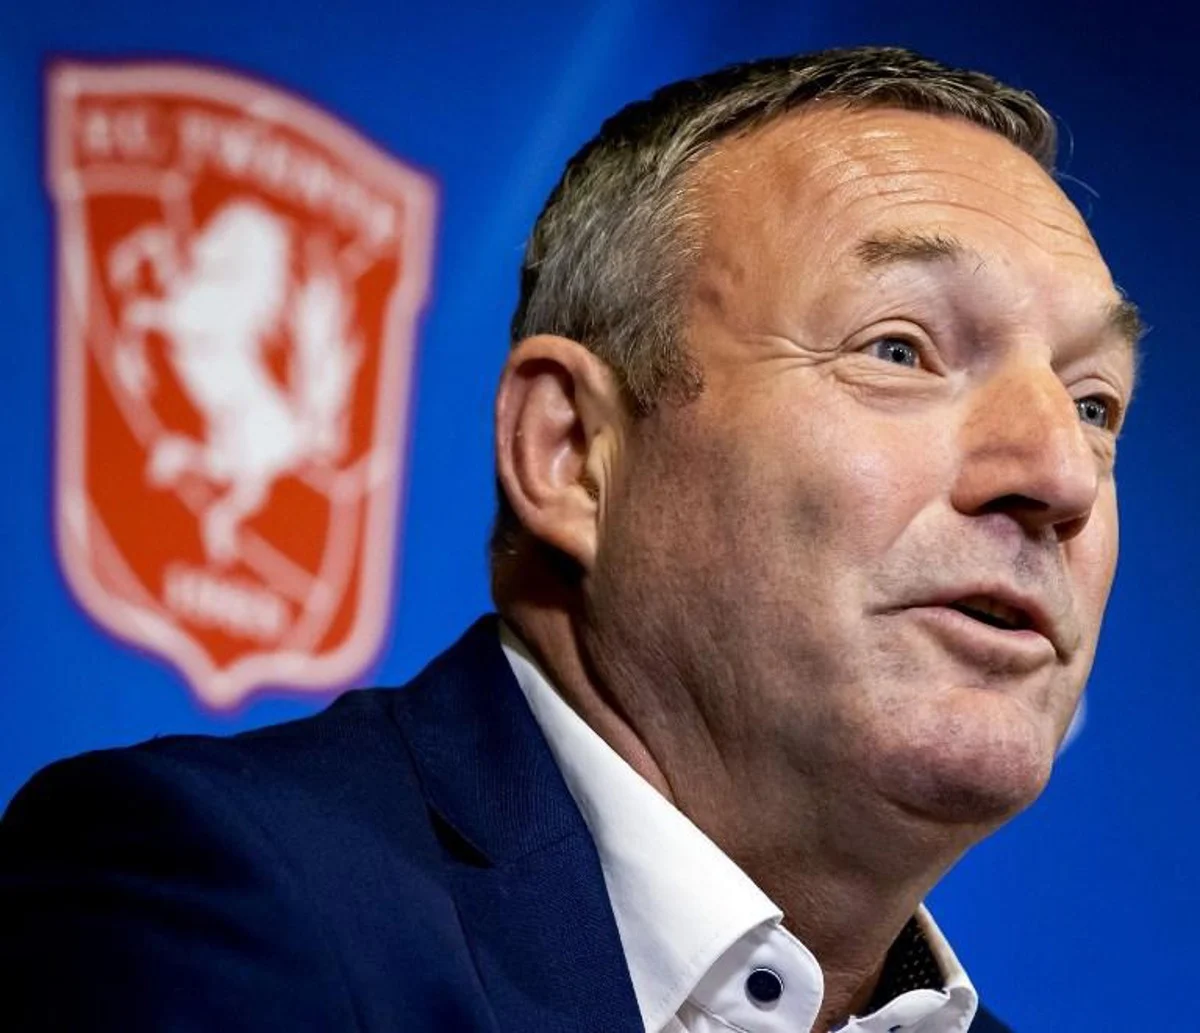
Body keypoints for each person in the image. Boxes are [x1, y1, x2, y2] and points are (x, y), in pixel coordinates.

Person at [0, 45, 1140, 1033]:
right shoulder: (224, 901)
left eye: (1096, 405)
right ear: (570, 450)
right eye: (900, 349)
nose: (1056, 476)